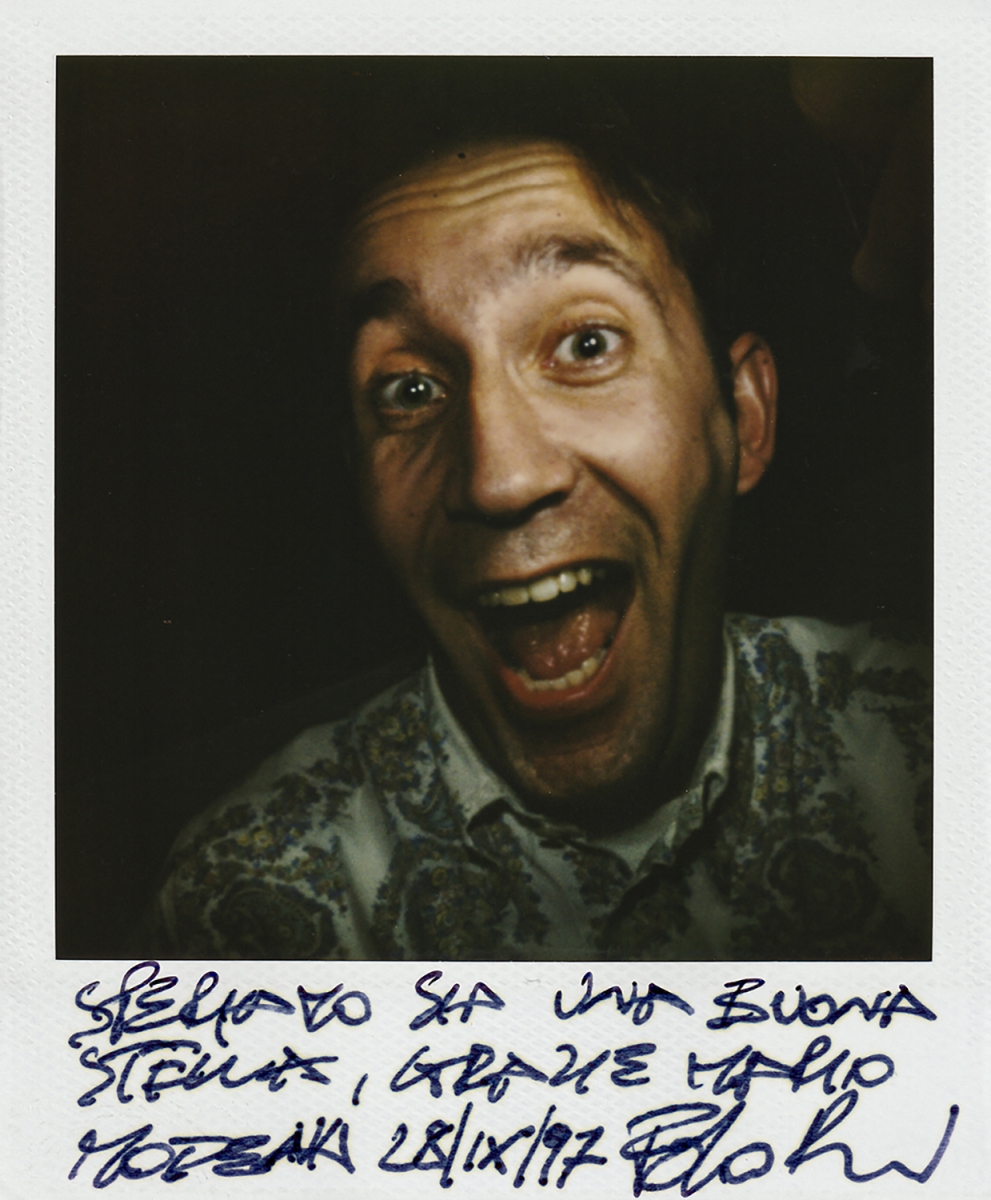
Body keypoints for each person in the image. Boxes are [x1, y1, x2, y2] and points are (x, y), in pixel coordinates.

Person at [150, 76, 931, 961]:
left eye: (586, 344)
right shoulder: (245, 907)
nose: (499, 477)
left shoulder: (933, 746)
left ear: (743, 418)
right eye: (410, 390)